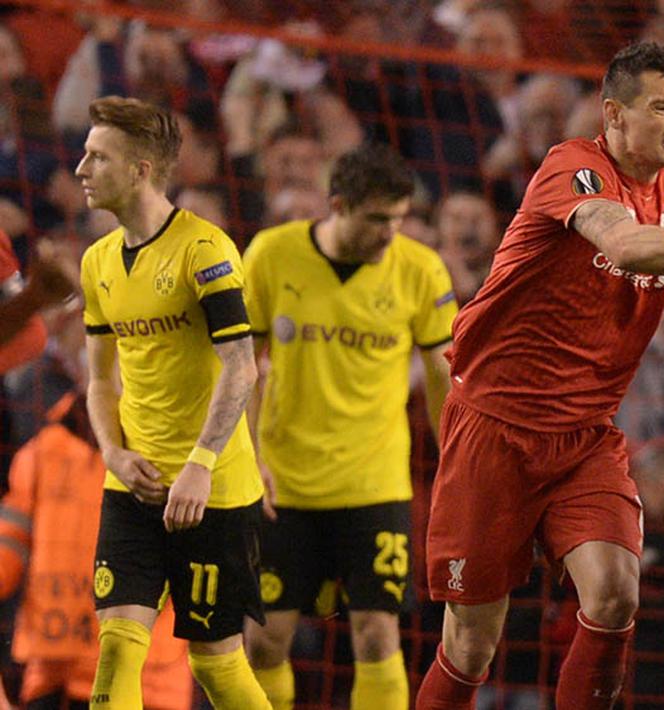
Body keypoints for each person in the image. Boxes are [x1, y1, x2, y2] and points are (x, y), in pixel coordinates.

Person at [415, 41, 664, 710]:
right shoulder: (571, 167)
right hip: (494, 427)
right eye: (661, 107)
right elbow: (625, 243)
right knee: (470, 646)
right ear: (613, 114)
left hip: (584, 438)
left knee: (614, 594)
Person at [241, 144, 457, 710]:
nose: (391, 232)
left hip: (375, 485)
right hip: (282, 483)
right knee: (264, 641)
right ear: (337, 205)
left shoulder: (419, 269)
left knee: (377, 634)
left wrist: (456, 467)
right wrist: (246, 456)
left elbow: (443, 378)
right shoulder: (271, 255)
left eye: (399, 218)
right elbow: (241, 369)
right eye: (377, 219)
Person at [75, 95, 270, 710]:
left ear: (140, 170)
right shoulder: (97, 261)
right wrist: (112, 452)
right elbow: (101, 380)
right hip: (134, 484)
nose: (80, 168)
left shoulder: (205, 251)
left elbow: (243, 366)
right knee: (117, 646)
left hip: (214, 488)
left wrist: (200, 464)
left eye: (97, 156)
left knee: (216, 666)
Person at [0, 391, 193, 710]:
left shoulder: (186, 457)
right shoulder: (43, 450)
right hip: (56, 680)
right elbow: (7, 553)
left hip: (149, 685)